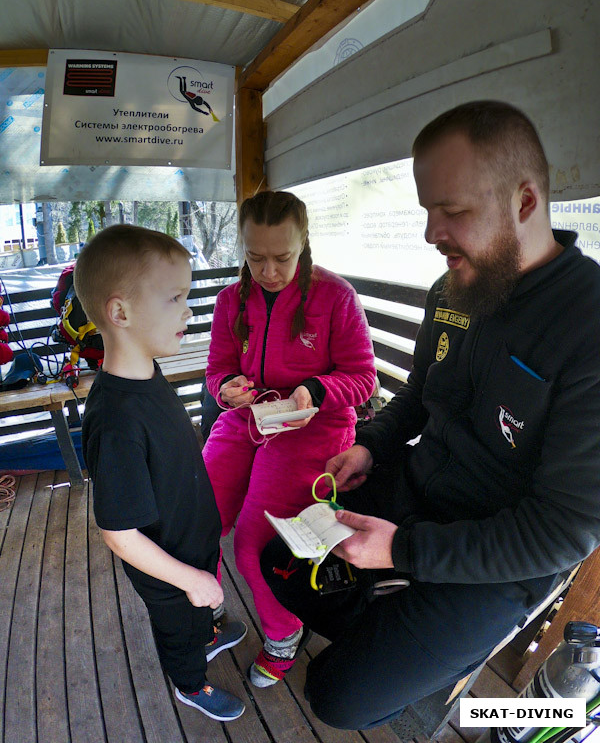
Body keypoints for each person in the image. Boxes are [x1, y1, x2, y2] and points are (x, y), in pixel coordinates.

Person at [260, 101, 600, 729]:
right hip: (414, 488)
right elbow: (419, 395)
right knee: (271, 562)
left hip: (496, 558)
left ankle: (402, 634)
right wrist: (370, 448)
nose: (429, 234)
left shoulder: (587, 321)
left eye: (452, 212)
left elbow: (562, 533)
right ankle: (382, 619)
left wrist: (405, 552)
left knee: (336, 697)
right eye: (426, 212)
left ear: (524, 202)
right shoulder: (456, 287)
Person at [202, 190, 376, 687]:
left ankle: (282, 635)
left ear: (304, 243)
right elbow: (219, 369)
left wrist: (316, 389)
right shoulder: (230, 301)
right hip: (248, 419)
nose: (269, 272)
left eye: (283, 257)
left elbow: (363, 379)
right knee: (196, 520)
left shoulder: (335, 296)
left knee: (256, 545)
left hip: (314, 427)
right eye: (255, 258)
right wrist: (226, 388)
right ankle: (209, 616)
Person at [76, 225, 247, 722]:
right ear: (120, 312)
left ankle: (206, 633)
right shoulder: (116, 420)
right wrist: (190, 579)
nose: (189, 311)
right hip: (166, 564)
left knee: (197, 613)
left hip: (189, 541)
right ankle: (191, 683)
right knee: (179, 627)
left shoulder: (148, 372)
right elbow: (119, 533)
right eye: (175, 298)